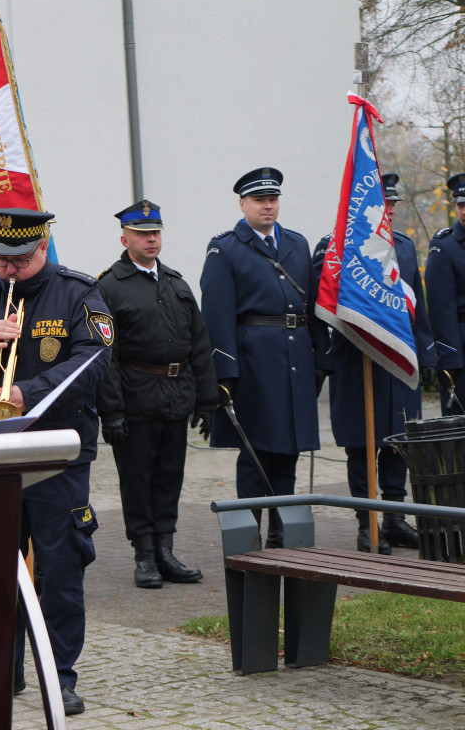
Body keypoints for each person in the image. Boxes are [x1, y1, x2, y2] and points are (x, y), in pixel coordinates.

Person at [0, 207, 111, 716]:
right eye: (1, 260)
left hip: (56, 450)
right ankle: (2, 669)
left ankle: (57, 673)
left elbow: (94, 359)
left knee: (60, 566)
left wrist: (27, 391)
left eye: (18, 261)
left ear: (42, 248)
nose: (7, 270)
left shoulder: (78, 292)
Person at [200, 168, 328, 544]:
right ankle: (249, 533)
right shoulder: (225, 248)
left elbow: (313, 305)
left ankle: (282, 532)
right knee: (255, 454)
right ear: (243, 204)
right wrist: (224, 373)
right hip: (254, 362)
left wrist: (321, 356)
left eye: (273, 199)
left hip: (296, 359)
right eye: (259, 200)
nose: (268, 206)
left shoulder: (296, 243)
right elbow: (217, 315)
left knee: (288, 450)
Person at [95, 200, 216, 588]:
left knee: (169, 478)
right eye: (143, 233)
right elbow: (104, 354)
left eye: (156, 232)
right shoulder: (108, 287)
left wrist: (207, 399)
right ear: (124, 238)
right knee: (137, 479)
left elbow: (199, 344)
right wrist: (110, 410)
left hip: (175, 395)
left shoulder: (176, 283)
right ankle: (144, 554)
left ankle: (166, 550)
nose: (151, 239)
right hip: (134, 399)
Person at [313, 173, 434, 554]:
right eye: (385, 204)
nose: (392, 211)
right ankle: (367, 523)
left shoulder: (404, 246)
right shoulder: (334, 246)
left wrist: (427, 354)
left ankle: (395, 518)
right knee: (360, 446)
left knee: (397, 443)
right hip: (355, 360)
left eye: (394, 204)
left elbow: (419, 307)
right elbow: (321, 304)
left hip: (397, 361)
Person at [426, 172, 465, 415]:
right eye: (461, 205)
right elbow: (441, 309)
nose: (464, 212)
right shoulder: (444, 246)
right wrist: (449, 362)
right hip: (460, 350)